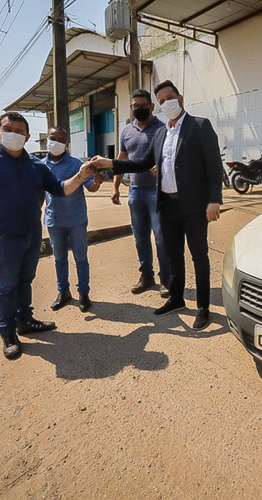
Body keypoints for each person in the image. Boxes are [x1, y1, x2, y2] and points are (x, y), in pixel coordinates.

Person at [0, 112, 94, 360]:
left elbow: (61, 189)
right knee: (6, 286)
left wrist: (82, 174)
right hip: (2, 235)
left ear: (27, 136)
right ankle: (8, 334)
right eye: (8, 129)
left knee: (25, 280)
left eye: (19, 132)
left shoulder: (35, 165)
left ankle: (25, 321)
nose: (13, 134)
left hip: (31, 233)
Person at [89, 80, 223, 331]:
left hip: (194, 206)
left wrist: (214, 199)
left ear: (180, 98)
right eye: (161, 100)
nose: (166, 103)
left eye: (169, 97)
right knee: (173, 255)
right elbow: (141, 163)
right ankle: (176, 298)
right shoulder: (162, 133)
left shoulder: (200, 126)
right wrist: (110, 163)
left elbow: (214, 167)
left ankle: (203, 307)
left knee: (199, 256)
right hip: (167, 205)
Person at [113, 89, 170, 298]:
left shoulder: (162, 129)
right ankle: (147, 276)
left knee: (161, 237)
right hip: (135, 190)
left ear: (152, 106)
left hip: (156, 191)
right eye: (135, 106)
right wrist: (115, 185)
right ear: (131, 107)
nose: (138, 109)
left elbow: (170, 155)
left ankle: (167, 278)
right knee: (140, 238)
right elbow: (122, 156)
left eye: (142, 105)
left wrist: (161, 166)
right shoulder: (126, 131)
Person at [43, 126, 103, 313]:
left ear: (67, 144)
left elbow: (90, 188)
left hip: (76, 220)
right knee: (59, 258)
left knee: (80, 258)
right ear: (47, 139)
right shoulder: (40, 166)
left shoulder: (77, 164)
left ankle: (84, 294)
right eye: (53, 138)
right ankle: (64, 292)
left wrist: (97, 183)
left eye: (61, 140)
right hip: (54, 220)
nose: (56, 143)